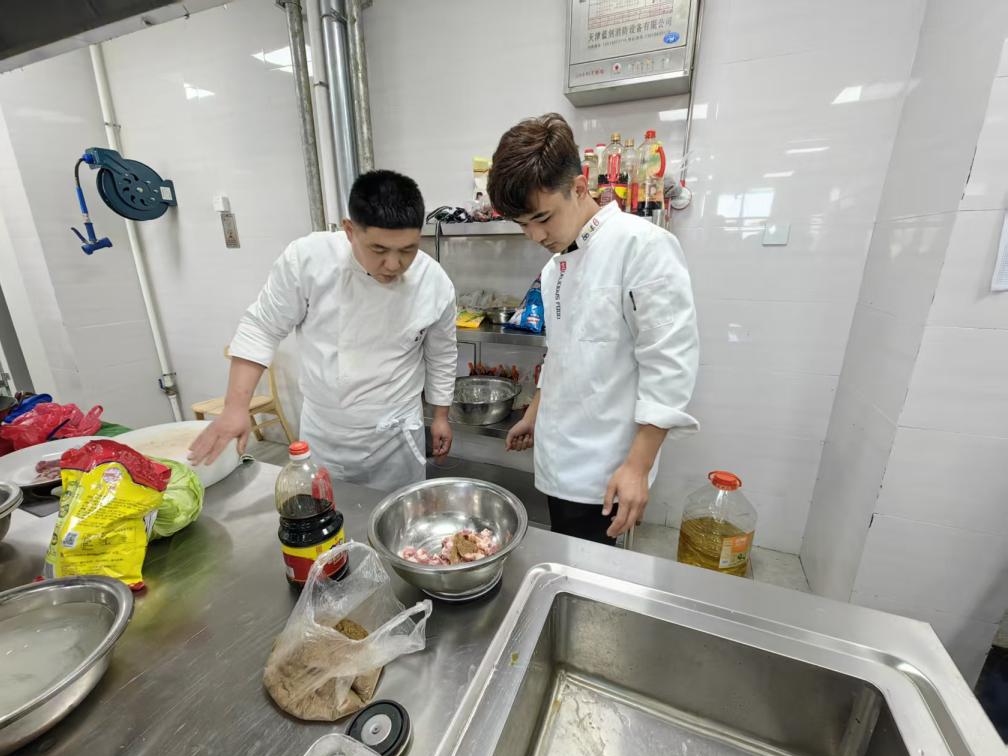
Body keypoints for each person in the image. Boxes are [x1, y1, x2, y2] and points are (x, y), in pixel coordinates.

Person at [492, 114, 699, 544]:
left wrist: (638, 466)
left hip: (607, 467)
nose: (534, 235)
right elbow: (561, 353)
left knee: (592, 568)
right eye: (523, 224)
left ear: (580, 187)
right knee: (565, 554)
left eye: (542, 217)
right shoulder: (555, 268)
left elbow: (669, 364)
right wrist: (534, 415)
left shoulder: (642, 246)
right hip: (557, 455)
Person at [189, 170, 457, 493]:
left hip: (397, 438)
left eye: (407, 250)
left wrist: (440, 416)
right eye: (379, 249)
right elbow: (262, 327)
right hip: (328, 435)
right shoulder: (308, 260)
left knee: (399, 518)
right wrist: (235, 407)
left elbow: (442, 353)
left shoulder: (434, 282)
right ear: (349, 230)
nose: (393, 264)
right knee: (327, 512)